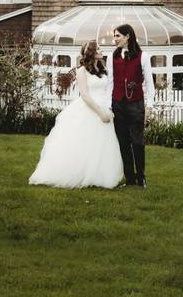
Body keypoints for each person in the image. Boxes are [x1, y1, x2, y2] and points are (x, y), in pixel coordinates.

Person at [29, 41, 123, 189]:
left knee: (102, 144)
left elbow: (108, 90)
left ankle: (99, 175)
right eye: (98, 48)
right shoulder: (81, 71)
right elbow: (85, 95)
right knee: (86, 143)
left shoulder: (103, 68)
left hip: (105, 108)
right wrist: (100, 113)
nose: (101, 50)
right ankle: (81, 174)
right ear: (91, 52)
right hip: (90, 109)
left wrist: (108, 109)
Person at [106, 24, 154, 187]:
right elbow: (110, 82)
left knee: (138, 142)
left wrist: (149, 106)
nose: (115, 39)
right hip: (118, 104)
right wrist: (109, 104)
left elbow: (149, 83)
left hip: (136, 105)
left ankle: (141, 177)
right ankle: (130, 179)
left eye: (118, 36)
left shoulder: (143, 56)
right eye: (115, 36)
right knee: (123, 143)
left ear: (128, 36)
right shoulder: (112, 57)